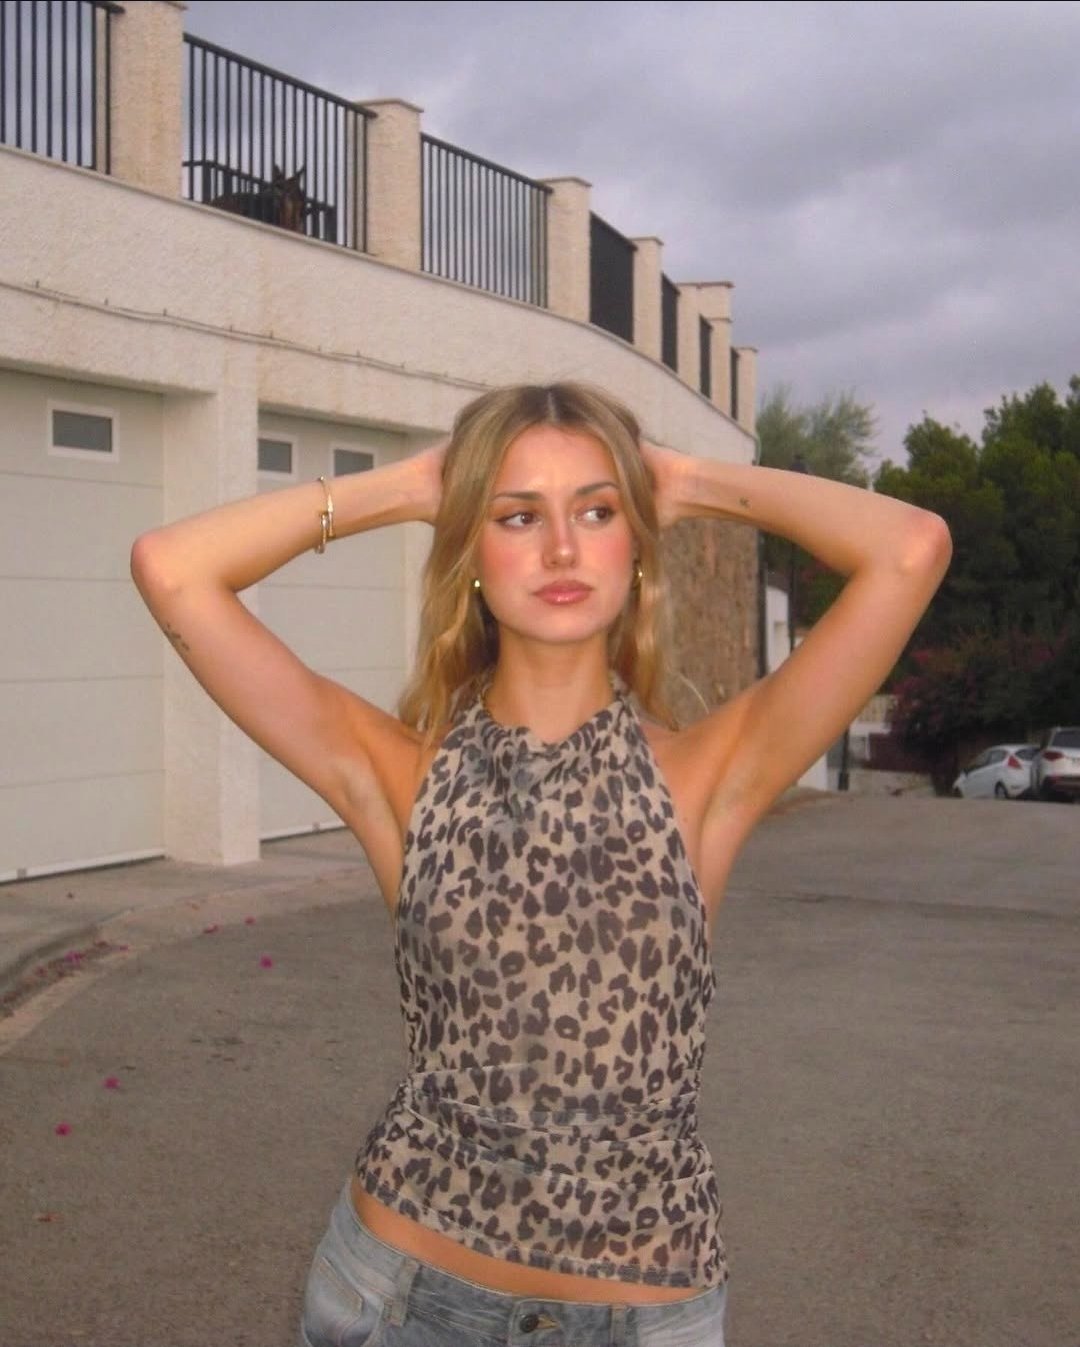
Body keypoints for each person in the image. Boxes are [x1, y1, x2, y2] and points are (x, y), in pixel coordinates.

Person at [130, 382, 950, 1347]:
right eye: (518, 516)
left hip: (643, 1315)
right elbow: (172, 569)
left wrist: (684, 480)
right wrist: (413, 488)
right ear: (471, 553)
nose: (562, 548)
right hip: (399, 1296)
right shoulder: (399, 774)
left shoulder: (707, 776)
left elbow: (911, 548)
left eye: (596, 512)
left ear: (636, 541)